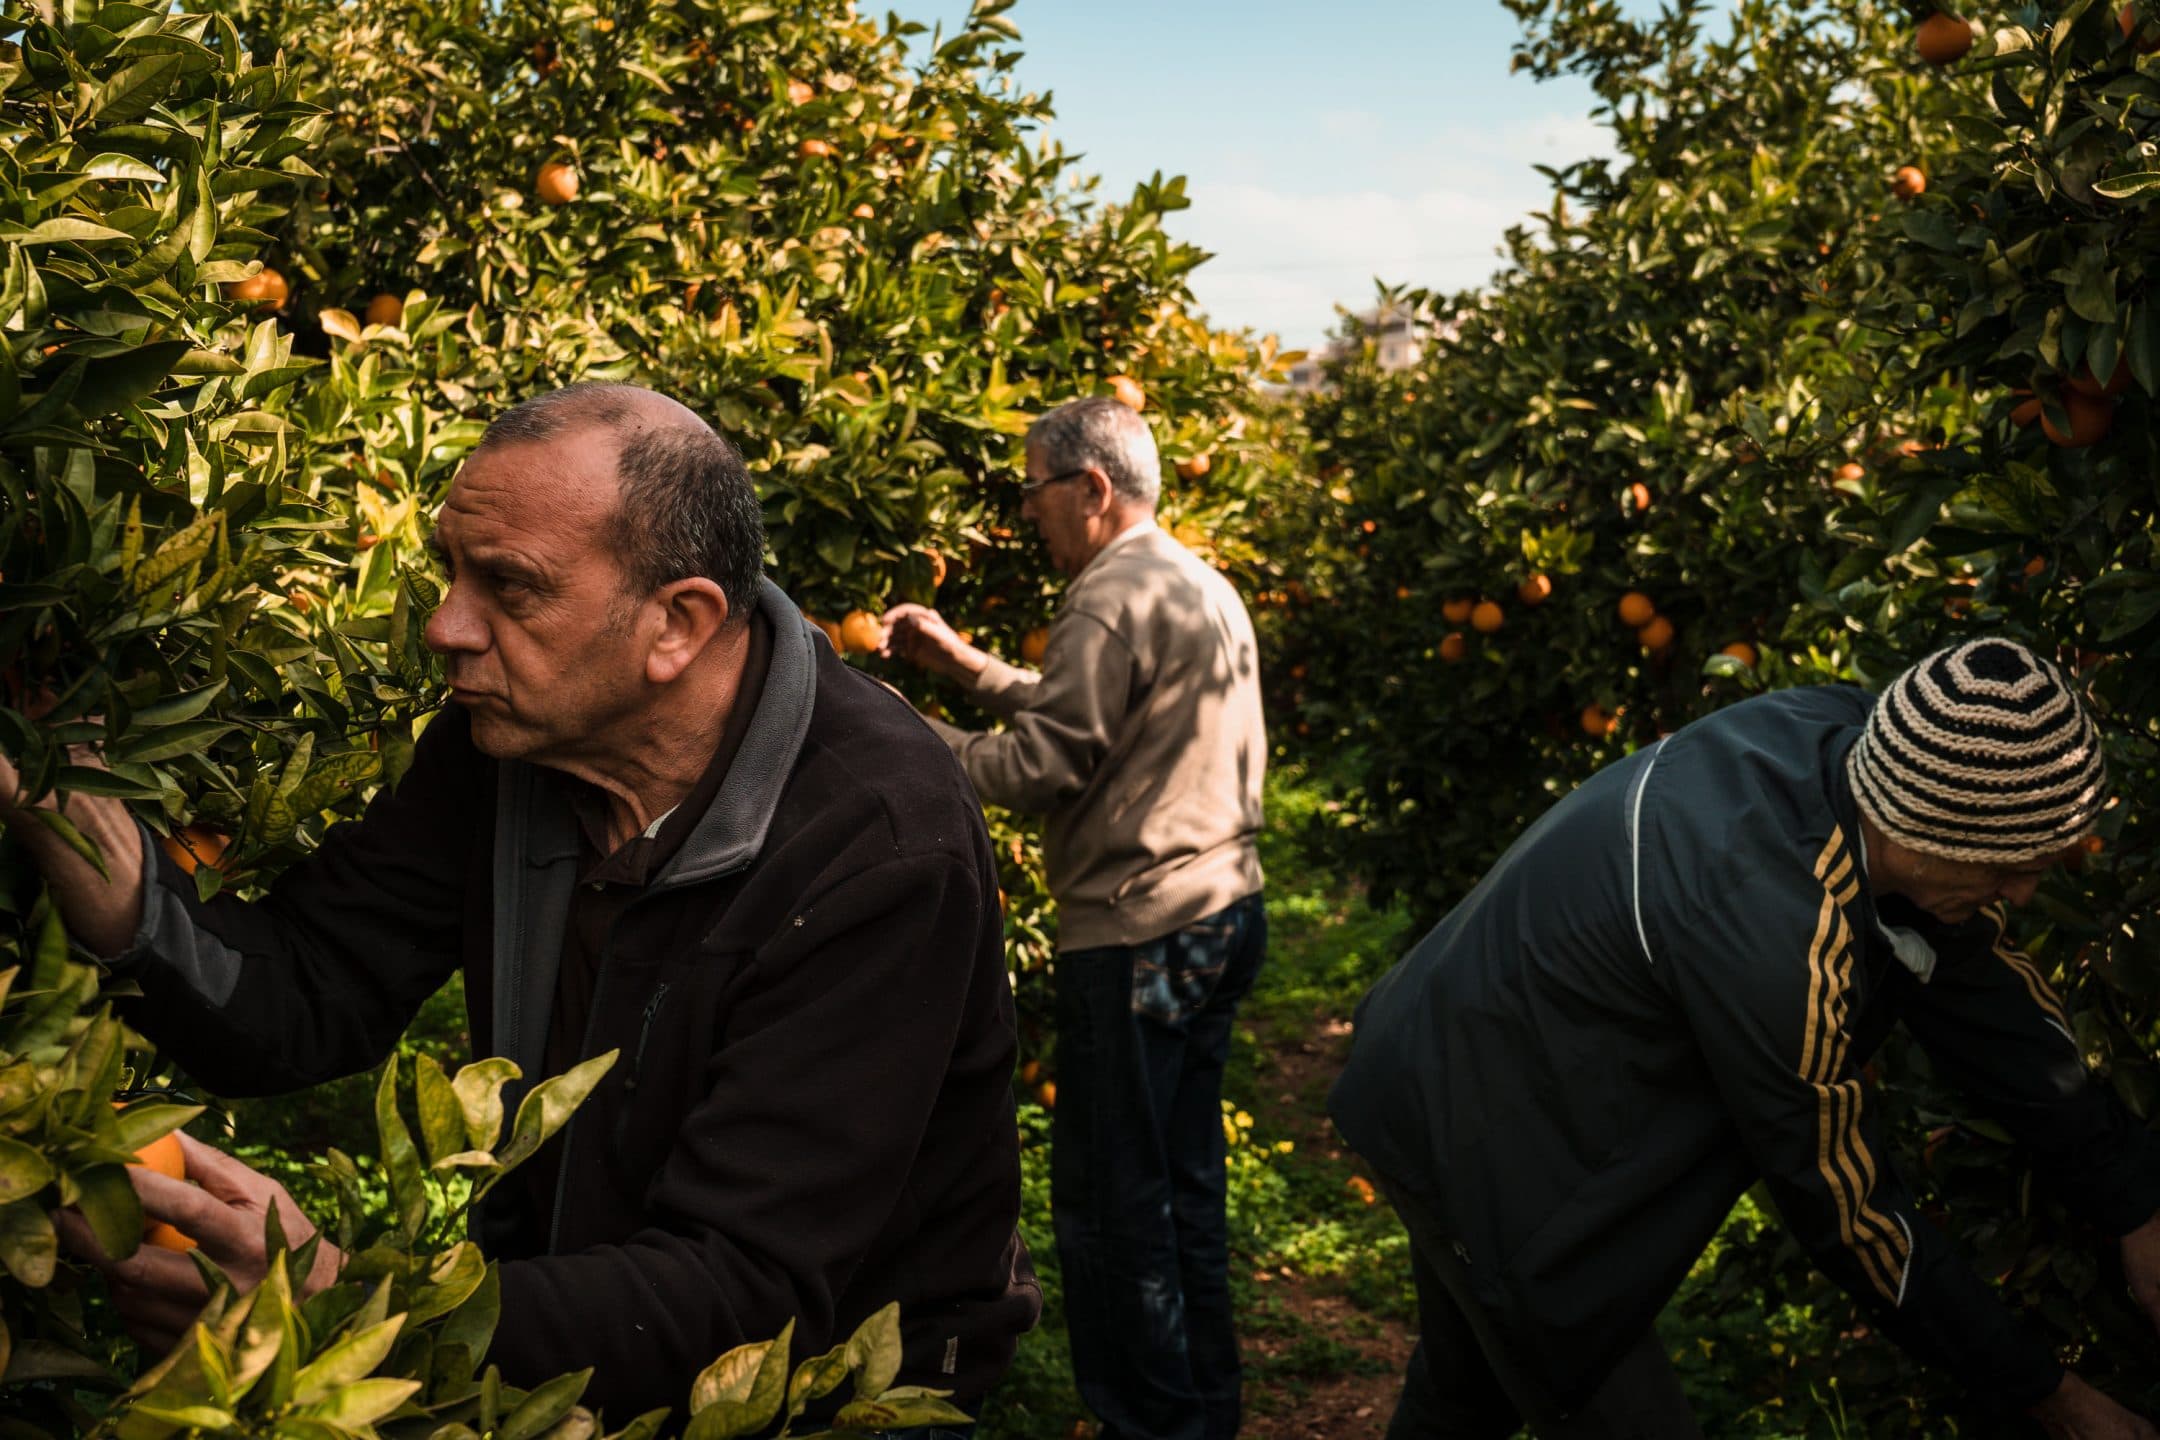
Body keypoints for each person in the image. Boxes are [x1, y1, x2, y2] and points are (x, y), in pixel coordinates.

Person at [7, 384, 1040, 1425]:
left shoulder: (878, 847)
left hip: (822, 1392)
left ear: (676, 623)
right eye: (451, 573)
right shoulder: (513, 747)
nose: (445, 626)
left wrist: (345, 1302)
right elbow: (309, 989)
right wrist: (77, 833)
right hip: (575, 1330)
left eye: (509, 585)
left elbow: (745, 1291)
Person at [1328, 638, 2160, 1439]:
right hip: (1486, 1129)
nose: (2019, 890)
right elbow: (1850, 1212)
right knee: (1602, 1401)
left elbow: (1979, 988)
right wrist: (2050, 1394)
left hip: (1448, 1049)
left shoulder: (1851, 741)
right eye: (2004, 867)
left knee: (1463, 1398)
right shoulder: (1775, 935)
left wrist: (2133, 1203)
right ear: (1924, 833)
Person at [879, 396, 1267, 1440]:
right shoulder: (1190, 582)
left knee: (1110, 1203)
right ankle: (1201, 1411)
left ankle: (1145, 1423)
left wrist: (914, 738)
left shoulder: (1102, 596)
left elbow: (1046, 765)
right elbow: (1104, 714)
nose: (1027, 517)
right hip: (1219, 914)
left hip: (1138, 929)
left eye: (1033, 492)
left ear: (1090, 489)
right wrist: (968, 669)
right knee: (1182, 1191)